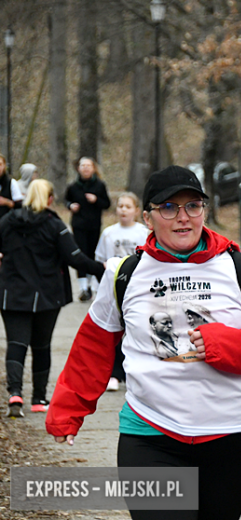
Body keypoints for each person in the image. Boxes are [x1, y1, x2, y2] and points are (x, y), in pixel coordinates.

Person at [46, 165, 241, 520]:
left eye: (192, 206)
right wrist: (67, 411)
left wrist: (223, 344)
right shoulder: (124, 274)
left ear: (204, 211)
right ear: (147, 218)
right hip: (150, 433)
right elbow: (93, 348)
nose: (183, 217)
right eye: (168, 208)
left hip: (233, 437)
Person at [1, 180, 104, 418]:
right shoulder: (54, 225)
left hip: (11, 294)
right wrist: (103, 268)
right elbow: (75, 258)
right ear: (49, 199)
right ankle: (38, 399)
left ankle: (15, 394)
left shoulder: (7, 221)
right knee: (41, 346)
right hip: (46, 295)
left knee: (16, 344)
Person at [95, 192, 149, 391]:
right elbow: (101, 260)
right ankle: (115, 373)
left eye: (128, 206)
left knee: (136, 330)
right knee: (115, 331)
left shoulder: (143, 233)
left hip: (138, 288)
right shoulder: (109, 233)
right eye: (120, 206)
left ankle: (135, 372)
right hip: (116, 288)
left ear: (137, 211)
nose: (123, 210)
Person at [65, 156, 111, 302]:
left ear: (93, 169)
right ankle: (83, 288)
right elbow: (66, 200)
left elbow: (107, 204)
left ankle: (90, 286)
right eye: (83, 165)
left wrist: (96, 200)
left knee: (92, 254)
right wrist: (71, 206)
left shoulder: (99, 185)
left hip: (94, 225)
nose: (85, 168)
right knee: (81, 254)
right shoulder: (73, 186)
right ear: (78, 169)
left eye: (88, 166)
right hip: (78, 225)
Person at [0, 153, 24, 221]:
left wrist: (6, 202)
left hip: (7, 222)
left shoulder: (11, 183)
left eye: (0, 164)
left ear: (4, 166)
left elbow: (19, 205)